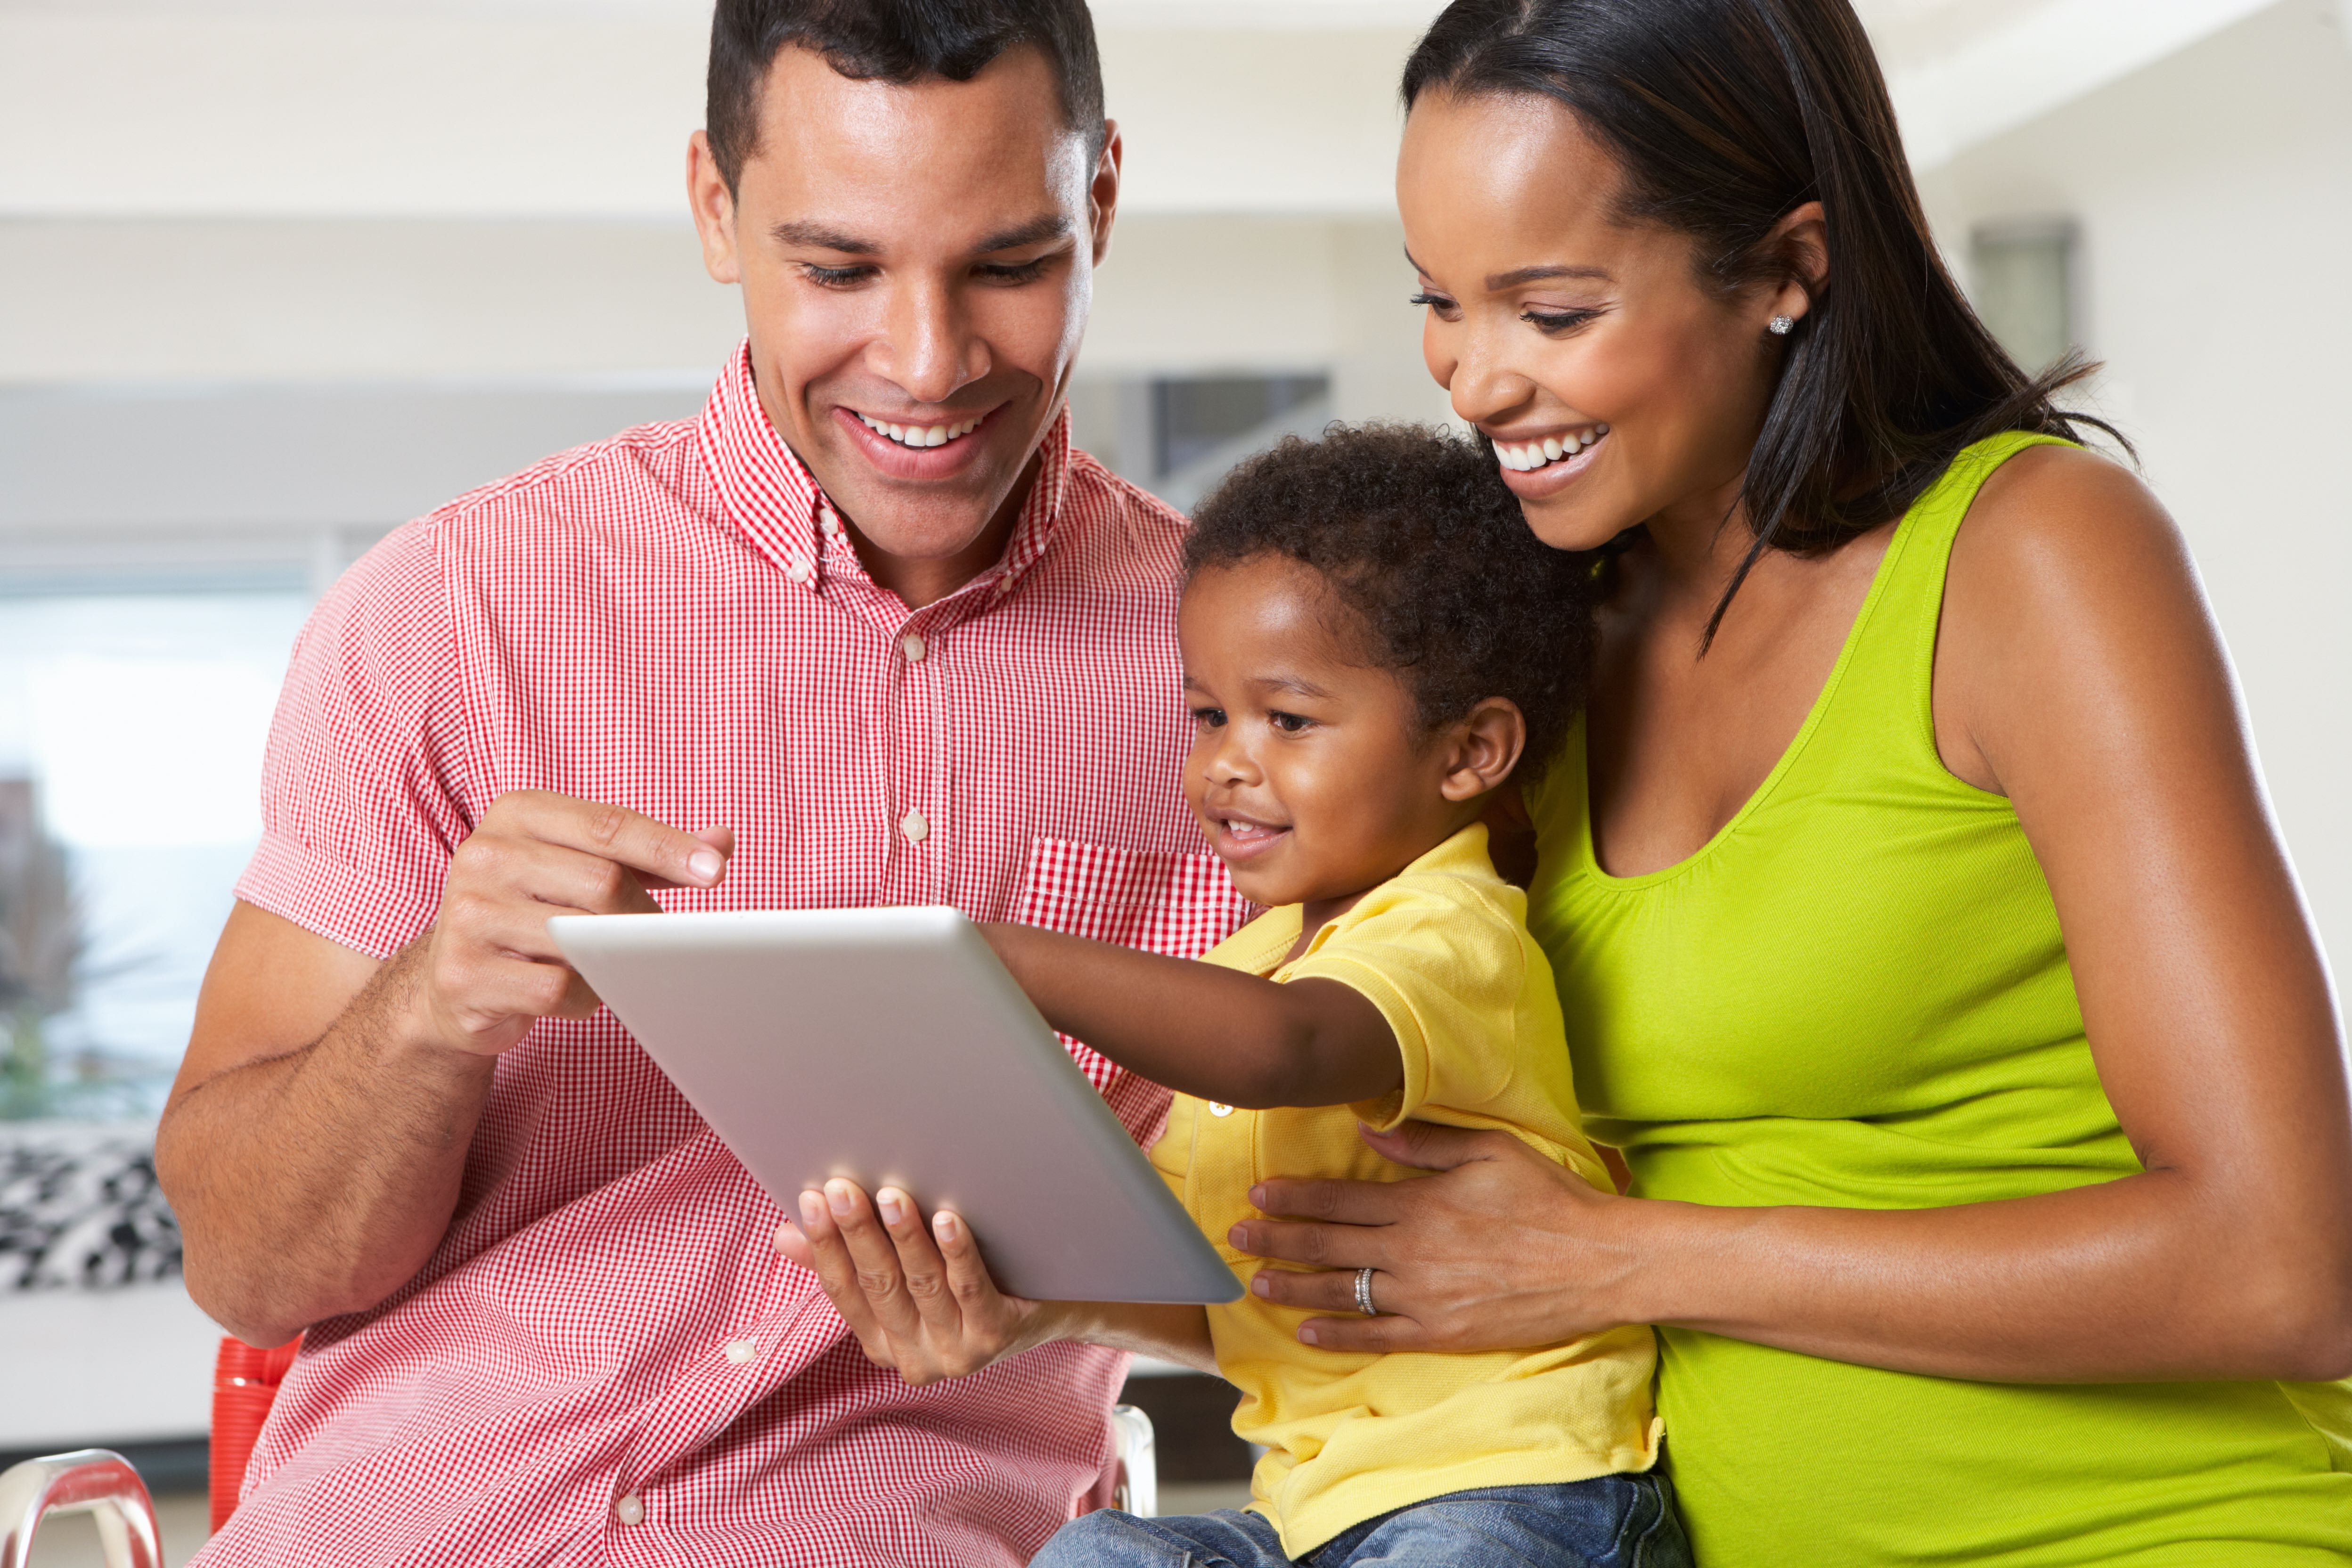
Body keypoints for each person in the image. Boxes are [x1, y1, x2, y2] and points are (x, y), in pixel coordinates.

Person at [1210, 2, 2352, 1565]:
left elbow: (2279, 1260)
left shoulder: (2035, 559)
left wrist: (1620, 1255)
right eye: (1441, 304)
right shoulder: (1543, 655)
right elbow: (1434, 1212)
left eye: (1550, 310)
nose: (1474, 381)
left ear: (1786, 267)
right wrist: (1034, 1284)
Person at [154, 3, 1255, 1563]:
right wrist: (426, 1007)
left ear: (1101, 201)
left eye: (1007, 264)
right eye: (840, 267)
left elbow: (1406, 1286)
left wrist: (1081, 1285)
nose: (931, 363)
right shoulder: (454, 608)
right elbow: (248, 1265)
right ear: (714, 209)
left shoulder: (1256, 684)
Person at [784, 425, 1690, 1568]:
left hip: (1511, 1487)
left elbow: (1282, 1049)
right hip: (1313, 1516)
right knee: (1091, 1555)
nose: (1226, 763)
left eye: (1289, 721)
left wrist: (997, 958)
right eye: (1210, 714)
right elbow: (1212, 1278)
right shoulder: (1249, 961)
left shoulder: (1451, 931)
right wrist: (1014, 1289)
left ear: (1471, 753)